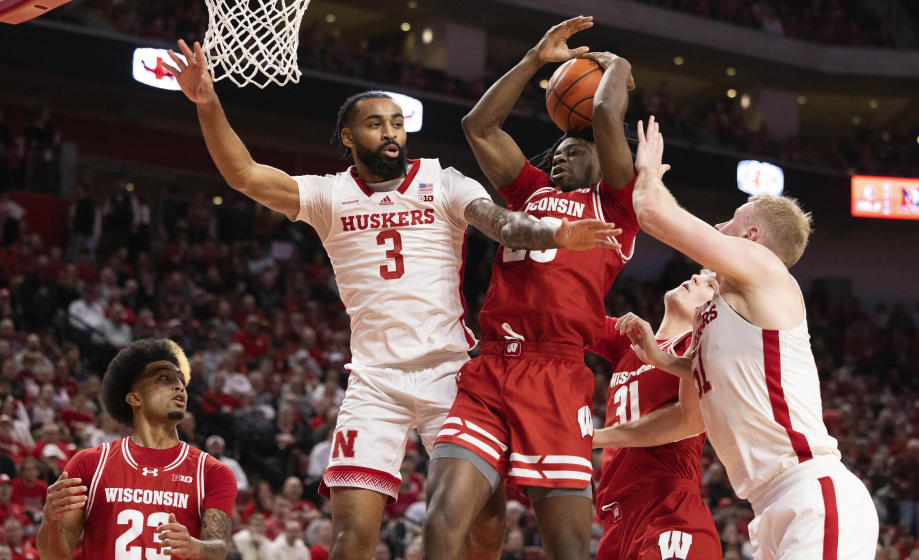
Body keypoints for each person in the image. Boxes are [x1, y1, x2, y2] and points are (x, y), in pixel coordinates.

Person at [164, 39, 620, 560]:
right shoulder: (327, 194)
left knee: (484, 527)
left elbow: (502, 222)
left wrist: (553, 235)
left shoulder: (441, 180)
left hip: (451, 373)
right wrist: (207, 103)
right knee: (350, 540)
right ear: (347, 136)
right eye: (376, 123)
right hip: (374, 380)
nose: (390, 132)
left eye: (397, 123)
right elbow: (244, 174)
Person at [592, 118, 879, 558]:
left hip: (811, 492)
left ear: (752, 236)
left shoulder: (765, 270)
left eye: (730, 220)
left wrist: (647, 172)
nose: (718, 226)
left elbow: (653, 214)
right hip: (768, 505)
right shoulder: (718, 313)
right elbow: (701, 403)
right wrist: (661, 359)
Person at [425, 16, 640, 560]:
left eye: (574, 149)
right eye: (558, 151)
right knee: (442, 519)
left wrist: (617, 68)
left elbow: (608, 113)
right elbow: (479, 127)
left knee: (567, 550)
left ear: (602, 157)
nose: (561, 155)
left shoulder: (617, 207)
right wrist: (534, 62)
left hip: (557, 372)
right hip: (491, 366)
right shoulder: (528, 191)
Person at [35, 338, 237, 560]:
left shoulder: (212, 472)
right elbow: (53, 556)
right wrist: (50, 520)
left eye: (181, 381)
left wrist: (195, 547)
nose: (179, 386)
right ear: (134, 397)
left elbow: (218, 548)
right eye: (164, 379)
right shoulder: (89, 464)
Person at [589, 272, 722, 559]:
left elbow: (689, 420)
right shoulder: (628, 342)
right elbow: (565, 319)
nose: (698, 276)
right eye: (700, 274)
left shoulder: (697, 347)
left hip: (669, 509)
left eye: (711, 284)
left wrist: (591, 437)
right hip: (616, 521)